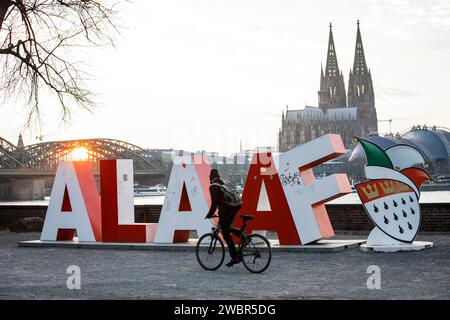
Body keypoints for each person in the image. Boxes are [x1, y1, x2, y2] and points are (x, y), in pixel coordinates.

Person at [205, 169, 242, 267]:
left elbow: (214, 203)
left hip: (226, 210)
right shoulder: (222, 184)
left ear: (211, 177)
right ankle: (242, 235)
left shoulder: (213, 187)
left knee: (226, 234)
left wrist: (209, 214)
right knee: (226, 227)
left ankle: (235, 257)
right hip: (235, 207)